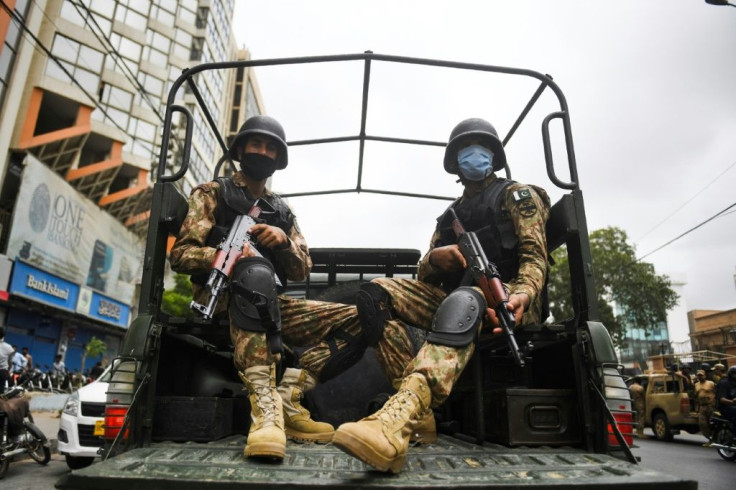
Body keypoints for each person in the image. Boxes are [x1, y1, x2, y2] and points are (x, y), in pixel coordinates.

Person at [330, 117, 551, 473]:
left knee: (463, 301)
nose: (474, 155)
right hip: (456, 298)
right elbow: (423, 272)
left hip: (508, 298)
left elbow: (535, 257)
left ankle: (397, 420)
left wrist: (521, 295)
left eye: (482, 148)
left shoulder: (517, 195)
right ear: (455, 162)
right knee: (375, 294)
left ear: (494, 156)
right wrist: (436, 258)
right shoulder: (450, 216)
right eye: (466, 149)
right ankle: (420, 415)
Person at [170, 115, 345, 460]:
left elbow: (301, 270)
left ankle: (287, 398)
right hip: (222, 298)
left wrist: (282, 243)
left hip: (272, 306)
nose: (262, 152)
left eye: (270, 148)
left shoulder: (281, 211)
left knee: (364, 316)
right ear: (241, 150)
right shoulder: (212, 194)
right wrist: (225, 257)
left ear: (278, 160)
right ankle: (265, 416)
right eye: (256, 145)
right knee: (252, 278)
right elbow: (180, 254)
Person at [694, 369, 715, 446]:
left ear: (705, 376)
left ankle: (715, 440)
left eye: (701, 375)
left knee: (712, 423)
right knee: (702, 424)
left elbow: (716, 392)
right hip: (702, 407)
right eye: (699, 375)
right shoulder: (696, 385)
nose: (700, 377)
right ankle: (710, 439)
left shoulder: (711, 383)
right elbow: (696, 398)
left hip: (711, 406)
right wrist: (697, 410)